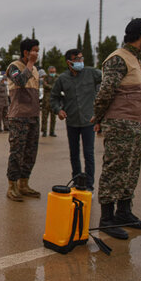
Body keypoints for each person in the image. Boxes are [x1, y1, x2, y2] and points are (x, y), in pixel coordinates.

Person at [91, 18, 141, 240]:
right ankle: (106, 219)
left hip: (133, 124)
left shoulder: (134, 58)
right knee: (115, 169)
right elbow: (106, 91)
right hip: (120, 123)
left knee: (130, 169)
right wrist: (98, 116)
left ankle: (124, 213)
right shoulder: (118, 59)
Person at [50, 49, 102, 191]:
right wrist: (58, 110)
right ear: (69, 62)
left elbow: (108, 80)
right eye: (77, 59)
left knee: (89, 154)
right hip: (72, 121)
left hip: (88, 121)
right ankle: (78, 181)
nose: (80, 61)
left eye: (81, 58)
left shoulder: (92, 73)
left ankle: (89, 185)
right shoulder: (62, 78)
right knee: (74, 154)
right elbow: (53, 97)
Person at [5, 38, 42, 202]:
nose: (37, 54)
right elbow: (19, 81)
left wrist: (32, 65)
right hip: (19, 117)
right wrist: (29, 65)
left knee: (30, 153)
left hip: (33, 116)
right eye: (35, 50)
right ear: (26, 52)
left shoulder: (35, 69)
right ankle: (12, 186)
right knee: (17, 153)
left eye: (38, 50)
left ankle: (24, 184)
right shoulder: (14, 67)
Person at [41, 66, 58, 137]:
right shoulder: (45, 77)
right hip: (46, 101)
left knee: (53, 118)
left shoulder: (57, 77)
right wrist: (52, 87)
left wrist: (52, 87)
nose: (53, 73)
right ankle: (44, 131)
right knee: (44, 117)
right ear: (48, 71)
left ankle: (52, 132)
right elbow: (45, 85)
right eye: (51, 72)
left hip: (54, 101)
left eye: (54, 72)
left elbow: (58, 86)